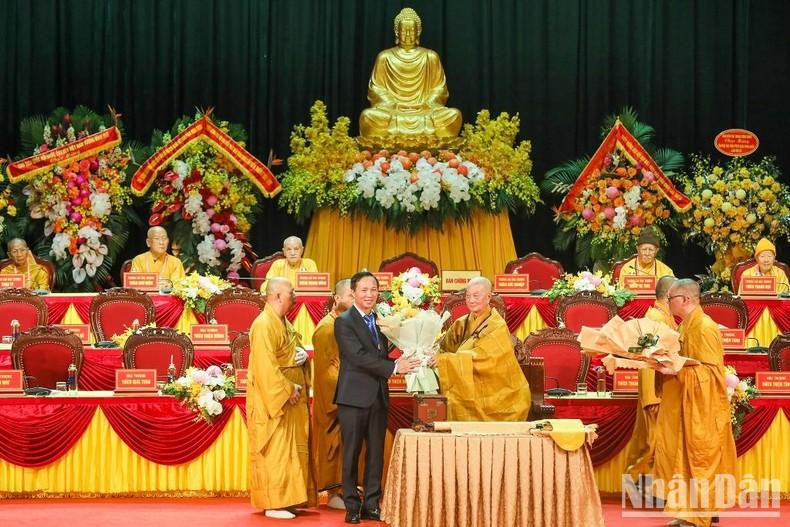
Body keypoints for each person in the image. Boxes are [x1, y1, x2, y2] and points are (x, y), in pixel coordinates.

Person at [333, 271, 421, 524]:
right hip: (353, 397)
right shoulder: (345, 321)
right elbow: (358, 356)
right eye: (364, 290)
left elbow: (384, 350)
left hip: (378, 396)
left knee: (376, 453)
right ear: (353, 292)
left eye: (373, 290)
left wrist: (410, 343)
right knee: (351, 453)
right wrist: (395, 368)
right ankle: (351, 505)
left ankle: (372, 503)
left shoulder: (381, 319)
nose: (369, 294)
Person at [651, 279, 737, 527]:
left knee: (699, 458)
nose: (668, 303)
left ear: (686, 299)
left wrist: (675, 370)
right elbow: (688, 361)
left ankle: (699, 514)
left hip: (703, 406)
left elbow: (711, 374)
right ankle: (688, 511)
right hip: (686, 402)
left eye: (671, 299)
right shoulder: (688, 324)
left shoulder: (704, 327)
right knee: (684, 457)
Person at [247, 277, 316, 520]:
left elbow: (289, 354)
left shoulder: (283, 322)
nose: (295, 294)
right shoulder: (263, 324)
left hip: (292, 401)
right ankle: (274, 502)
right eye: (291, 291)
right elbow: (265, 368)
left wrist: (303, 357)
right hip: (274, 403)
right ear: (277, 295)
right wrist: (288, 388)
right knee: (277, 451)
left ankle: (289, 499)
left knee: (291, 452)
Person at [428, 277, 530, 421]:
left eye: (476, 296)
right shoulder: (462, 323)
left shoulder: (497, 326)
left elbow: (485, 359)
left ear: (488, 297)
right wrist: (431, 354)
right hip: (470, 386)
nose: (471, 300)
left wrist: (444, 360)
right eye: (468, 296)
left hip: (499, 392)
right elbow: (444, 347)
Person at [358, 7, 462, 142]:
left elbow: (439, 89)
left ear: (418, 31)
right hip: (393, 111)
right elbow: (376, 88)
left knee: (454, 115)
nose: (408, 35)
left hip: (425, 111)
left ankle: (396, 136)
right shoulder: (385, 57)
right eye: (404, 31)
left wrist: (428, 103)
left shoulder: (430, 57)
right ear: (397, 31)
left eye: (411, 31)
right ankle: (426, 137)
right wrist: (391, 103)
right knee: (367, 116)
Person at [625, 275, 677, 483]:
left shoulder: (665, 317)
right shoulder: (654, 319)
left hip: (663, 390)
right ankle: (641, 487)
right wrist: (650, 398)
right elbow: (646, 358)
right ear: (667, 296)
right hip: (655, 393)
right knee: (651, 442)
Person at [311, 279, 355, 510]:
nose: (354, 299)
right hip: (335, 397)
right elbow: (327, 371)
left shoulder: (346, 323)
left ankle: (346, 487)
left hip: (348, 392)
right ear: (337, 298)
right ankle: (333, 492)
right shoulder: (327, 327)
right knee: (333, 444)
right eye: (350, 295)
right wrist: (347, 391)